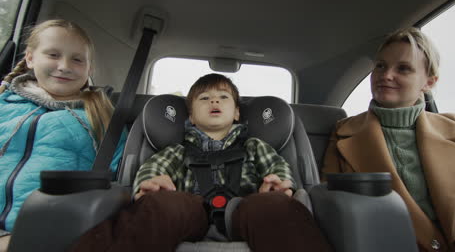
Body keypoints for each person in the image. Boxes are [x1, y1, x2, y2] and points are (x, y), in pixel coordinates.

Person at [71, 73, 332, 252]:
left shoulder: (254, 145)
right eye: (204, 99)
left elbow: (277, 166)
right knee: (160, 204)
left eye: (223, 97)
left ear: (237, 113)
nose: (214, 101)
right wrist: (151, 183)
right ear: (192, 117)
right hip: (189, 211)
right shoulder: (178, 150)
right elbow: (155, 168)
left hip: (244, 209)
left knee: (277, 206)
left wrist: (278, 183)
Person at [322, 27, 455, 252]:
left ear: (429, 82)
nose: (386, 75)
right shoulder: (343, 133)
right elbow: (329, 207)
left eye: (403, 68)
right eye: (380, 65)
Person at [0, 19, 126, 251]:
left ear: (89, 69)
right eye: (53, 55)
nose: (64, 66)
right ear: (30, 58)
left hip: (49, 231)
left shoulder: (102, 117)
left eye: (77, 59)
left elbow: (120, 176)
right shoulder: (3, 104)